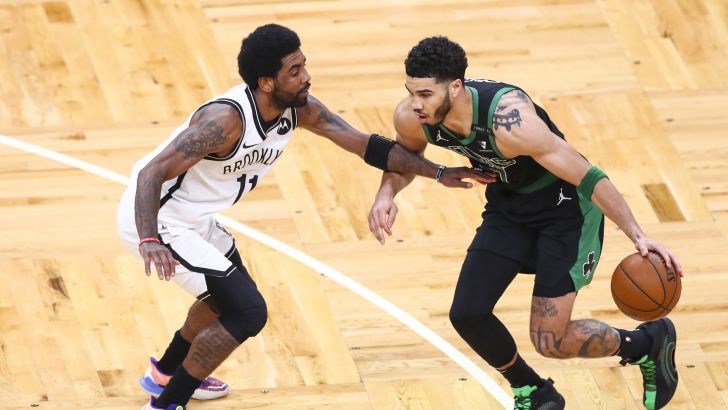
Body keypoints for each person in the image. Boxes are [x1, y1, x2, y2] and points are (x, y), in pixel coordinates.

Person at [117, 25, 490, 410]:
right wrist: (149, 240)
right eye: (294, 71)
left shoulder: (299, 109)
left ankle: (164, 374)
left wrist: (438, 173)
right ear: (266, 83)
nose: (306, 76)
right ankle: (165, 404)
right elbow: (151, 173)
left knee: (222, 299)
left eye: (304, 65)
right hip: (160, 219)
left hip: (195, 219)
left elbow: (366, 146)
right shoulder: (225, 121)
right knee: (247, 311)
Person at [367, 36, 684, 410]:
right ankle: (534, 391)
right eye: (410, 92)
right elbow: (403, 159)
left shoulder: (511, 122)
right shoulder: (412, 117)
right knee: (467, 314)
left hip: (565, 213)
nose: (415, 103)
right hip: (509, 206)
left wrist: (638, 235)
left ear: (455, 87)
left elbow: (588, 176)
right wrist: (386, 194)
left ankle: (647, 343)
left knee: (551, 342)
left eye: (425, 94)